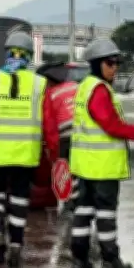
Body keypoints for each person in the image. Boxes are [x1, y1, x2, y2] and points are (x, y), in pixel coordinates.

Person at [0, 31, 59, 267]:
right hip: (25, 153)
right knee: (19, 198)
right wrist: (55, 153)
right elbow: (49, 123)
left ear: (7, 53)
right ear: (29, 56)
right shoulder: (39, 84)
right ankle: (16, 245)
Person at [69, 39, 134, 268]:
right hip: (102, 167)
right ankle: (110, 261)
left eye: (118, 63)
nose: (115, 67)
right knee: (105, 215)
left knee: (83, 213)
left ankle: (79, 260)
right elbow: (111, 125)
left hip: (85, 165)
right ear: (98, 64)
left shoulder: (85, 86)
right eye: (111, 63)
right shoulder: (99, 90)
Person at [35, 61, 79, 216]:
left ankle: (71, 203)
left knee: (65, 170)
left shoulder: (49, 95)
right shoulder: (75, 86)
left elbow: (48, 124)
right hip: (86, 135)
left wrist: (48, 147)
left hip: (65, 137)